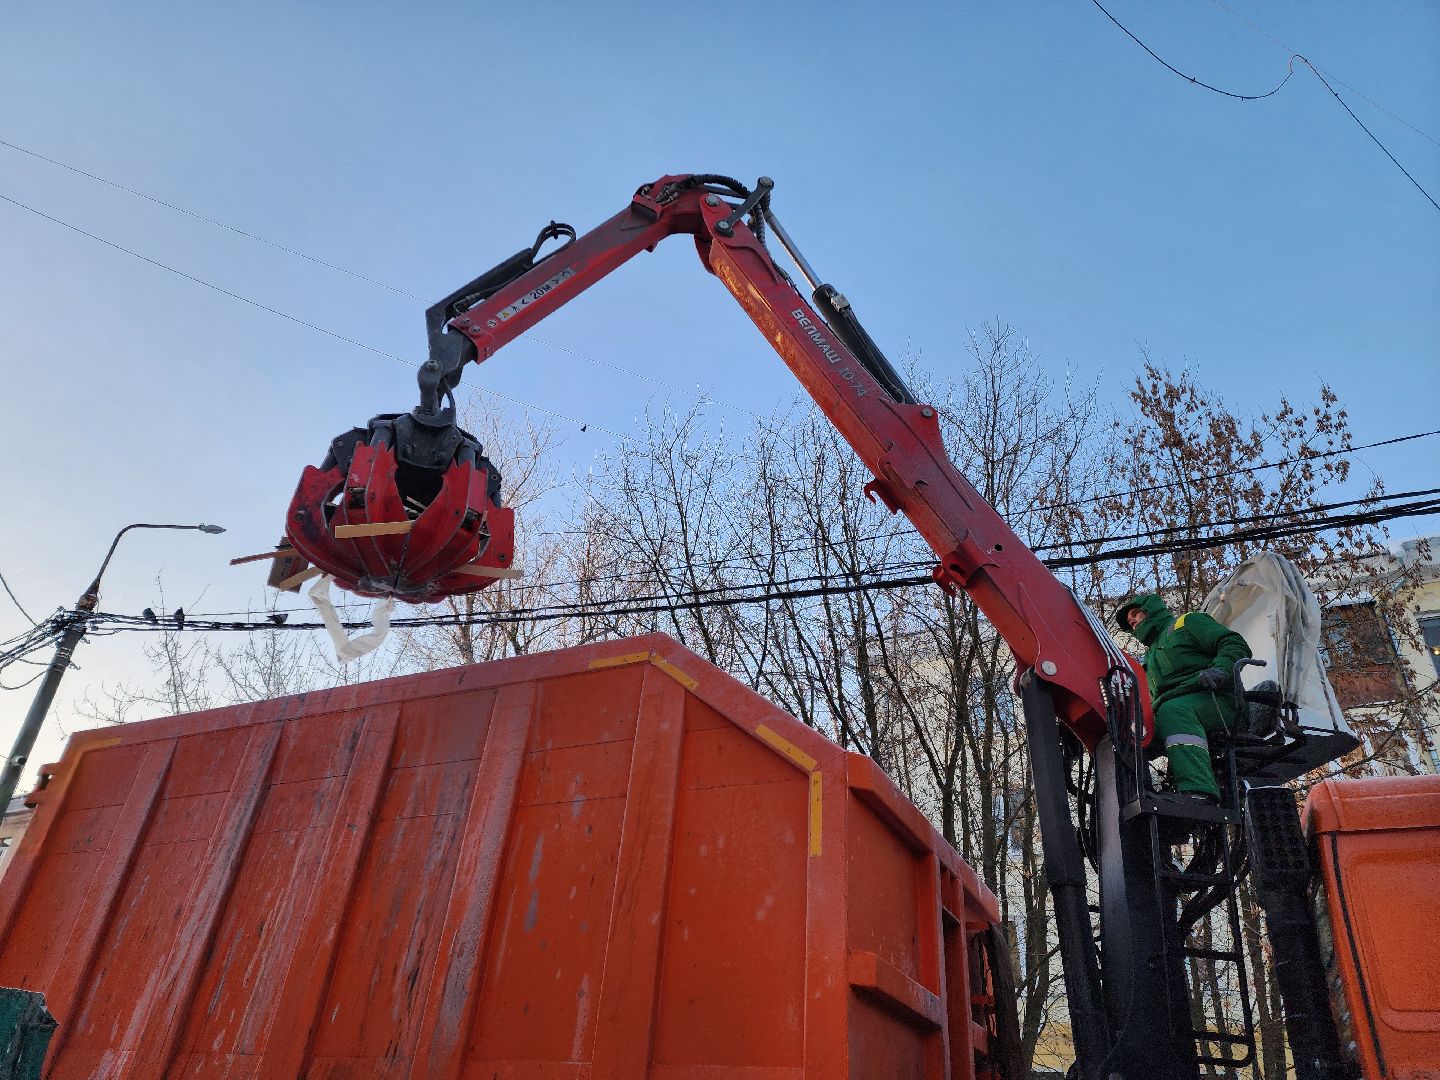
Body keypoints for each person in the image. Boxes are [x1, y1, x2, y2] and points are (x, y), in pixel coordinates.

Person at [1114, 593, 1252, 803]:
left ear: (1153, 610)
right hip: (1174, 712)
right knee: (1132, 738)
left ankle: (1199, 792)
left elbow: (1233, 642)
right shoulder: (1149, 657)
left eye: (1135, 613)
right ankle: (1136, 801)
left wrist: (1220, 670)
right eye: (1129, 622)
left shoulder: (1188, 622)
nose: (1132, 621)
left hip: (1217, 700)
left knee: (1173, 711)